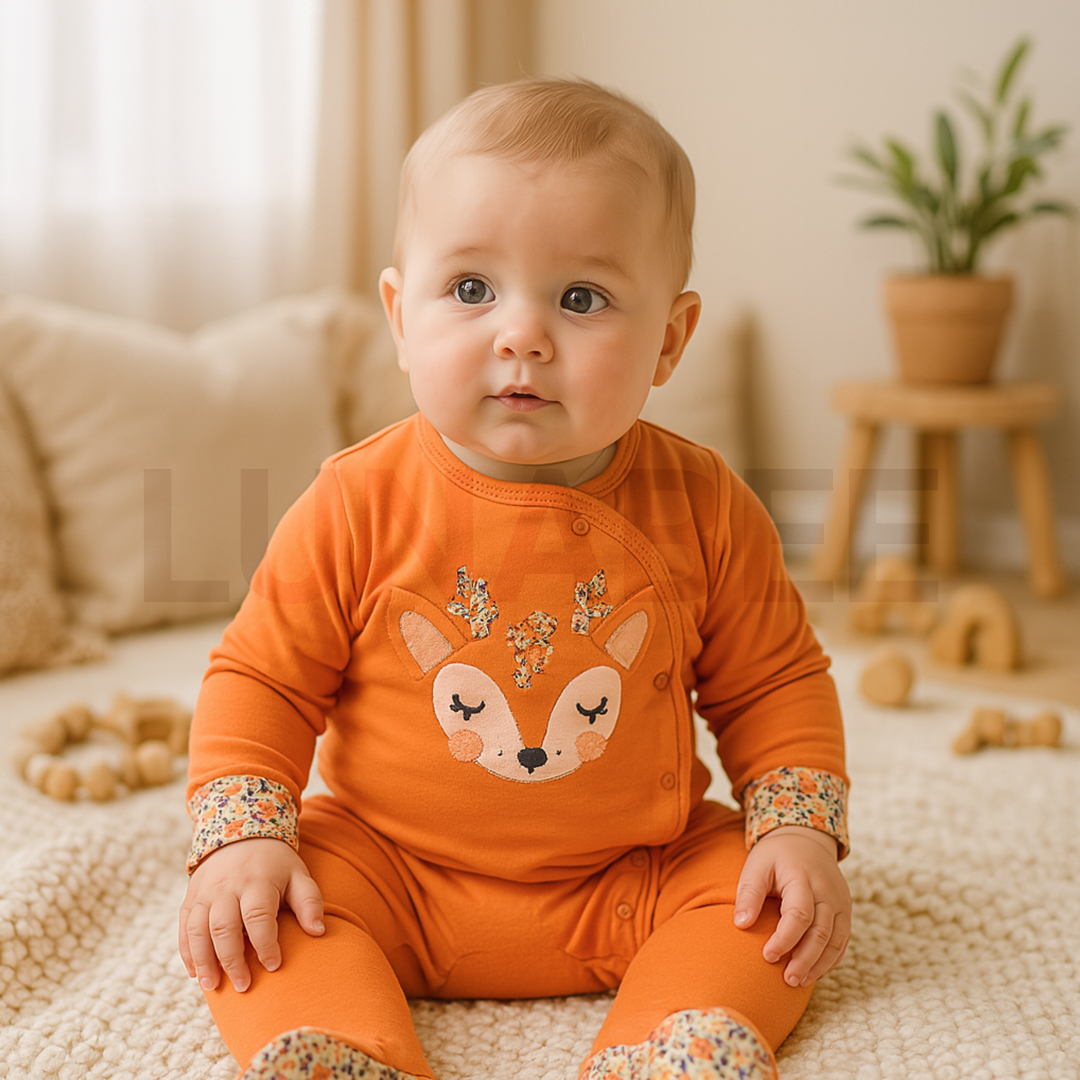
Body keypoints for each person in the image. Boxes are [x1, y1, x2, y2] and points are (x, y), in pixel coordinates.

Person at [178, 77, 850, 1080]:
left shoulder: (706, 504)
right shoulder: (355, 501)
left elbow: (775, 682)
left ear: (669, 340)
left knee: (761, 905)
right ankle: (343, 1048)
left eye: (581, 298)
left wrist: (797, 830)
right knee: (264, 915)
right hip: (390, 870)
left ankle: (668, 1045)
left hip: (633, 873)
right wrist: (242, 838)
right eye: (471, 290)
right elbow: (263, 678)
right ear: (400, 318)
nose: (521, 335)